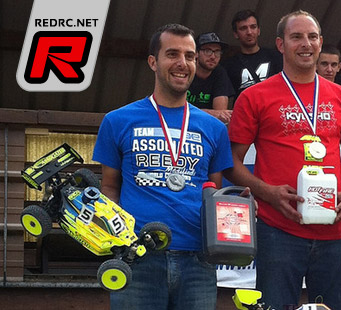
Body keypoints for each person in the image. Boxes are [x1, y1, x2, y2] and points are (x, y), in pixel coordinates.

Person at [224, 10, 341, 310]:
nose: (306, 44)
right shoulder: (254, 96)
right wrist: (267, 192)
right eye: (296, 37)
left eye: (312, 36)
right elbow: (230, 162)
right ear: (280, 44)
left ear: (320, 42)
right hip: (278, 230)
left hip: (335, 231)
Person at [93, 24, 234, 310]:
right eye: (172, 54)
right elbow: (109, 186)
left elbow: (214, 192)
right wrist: (117, 243)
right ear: (153, 62)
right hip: (138, 260)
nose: (183, 63)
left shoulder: (214, 129)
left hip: (198, 263)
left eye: (190, 56)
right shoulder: (117, 120)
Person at [221, 9, 283, 101]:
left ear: (258, 30)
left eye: (253, 27)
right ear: (235, 34)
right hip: (245, 112)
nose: (249, 32)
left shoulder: (276, 56)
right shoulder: (228, 65)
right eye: (243, 28)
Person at [187, 32, 235, 123]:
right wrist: (211, 113)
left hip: (205, 125)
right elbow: (175, 108)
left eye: (217, 52)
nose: (213, 56)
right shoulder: (186, 70)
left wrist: (211, 113)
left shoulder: (220, 73)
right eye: (208, 51)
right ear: (196, 53)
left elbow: (221, 115)